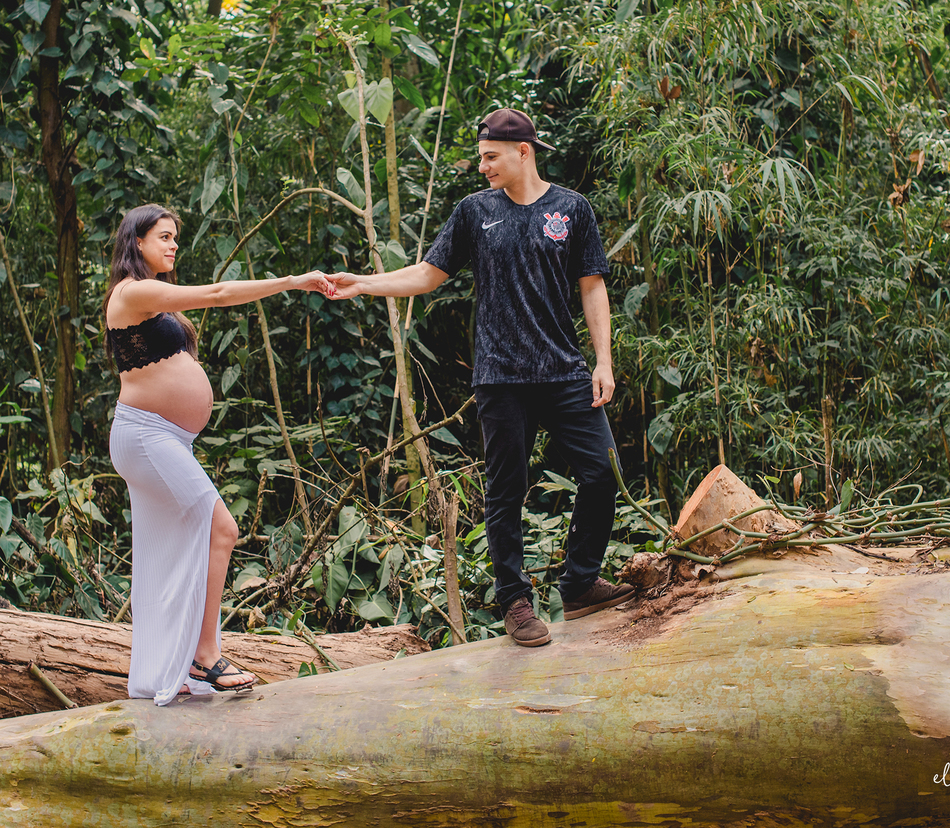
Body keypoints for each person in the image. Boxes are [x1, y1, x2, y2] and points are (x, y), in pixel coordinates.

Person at [328, 108, 634, 647]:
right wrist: (363, 284)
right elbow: (427, 275)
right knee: (506, 489)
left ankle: (580, 583)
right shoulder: (475, 211)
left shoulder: (572, 209)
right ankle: (515, 600)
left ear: (523, 151)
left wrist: (603, 361)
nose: (483, 167)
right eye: (481, 157)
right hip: (501, 378)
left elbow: (593, 287)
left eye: (491, 157)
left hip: (564, 371)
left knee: (601, 473)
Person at [104, 203, 332, 703]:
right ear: (136, 242)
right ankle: (204, 654)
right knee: (222, 529)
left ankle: (170, 666)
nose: (172, 245)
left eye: (174, 238)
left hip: (163, 436)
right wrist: (292, 281)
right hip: (146, 435)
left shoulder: (153, 299)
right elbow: (219, 293)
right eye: (162, 236)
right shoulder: (135, 291)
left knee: (174, 549)